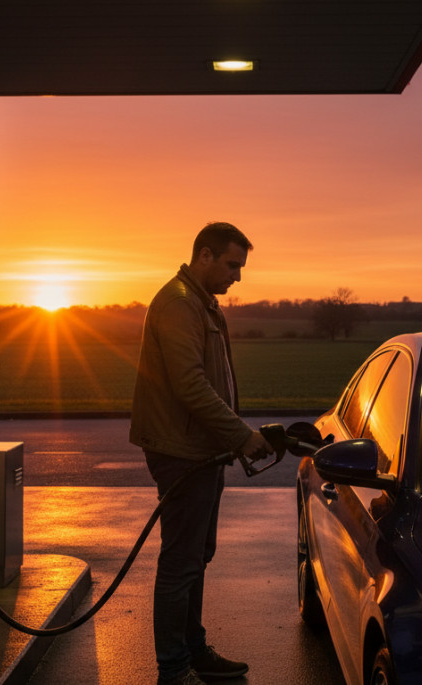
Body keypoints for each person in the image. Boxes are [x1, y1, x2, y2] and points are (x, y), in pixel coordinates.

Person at [130, 221, 275, 685]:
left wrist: (229, 437)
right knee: (181, 561)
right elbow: (190, 385)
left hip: (201, 450)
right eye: (233, 264)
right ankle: (174, 670)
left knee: (196, 555)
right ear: (205, 255)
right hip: (182, 451)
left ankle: (192, 651)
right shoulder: (178, 304)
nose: (238, 275)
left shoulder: (201, 303)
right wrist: (240, 435)